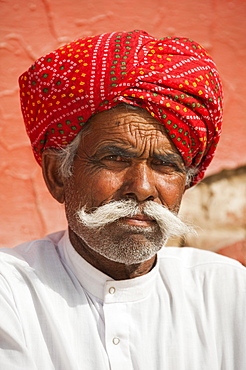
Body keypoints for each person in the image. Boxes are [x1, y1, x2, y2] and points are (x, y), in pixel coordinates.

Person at [0, 30, 245, 369]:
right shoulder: (10, 290)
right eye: (115, 159)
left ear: (186, 183)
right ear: (58, 175)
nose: (142, 187)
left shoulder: (227, 290)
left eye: (165, 165)